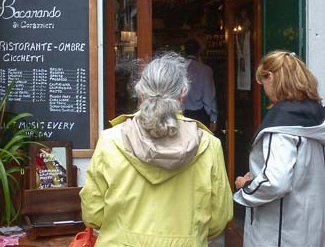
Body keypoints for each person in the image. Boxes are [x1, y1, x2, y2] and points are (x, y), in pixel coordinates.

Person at [80, 52, 233, 247]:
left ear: (140, 92)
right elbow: (219, 220)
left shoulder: (110, 140)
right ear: (183, 93)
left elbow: (93, 215)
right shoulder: (209, 145)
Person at [234, 50, 325, 247]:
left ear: (272, 77)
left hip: (279, 234)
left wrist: (246, 187)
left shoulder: (281, 127)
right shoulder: (315, 119)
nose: (263, 87)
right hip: (308, 230)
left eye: (263, 80)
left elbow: (276, 182)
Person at [182, 39, 218, 132]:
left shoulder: (177, 68)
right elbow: (209, 97)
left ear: (185, 52)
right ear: (198, 52)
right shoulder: (205, 70)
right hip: (199, 116)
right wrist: (213, 118)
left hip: (181, 115)